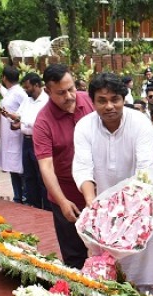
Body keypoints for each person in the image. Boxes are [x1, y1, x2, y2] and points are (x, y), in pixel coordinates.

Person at [72, 73, 153, 294]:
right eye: (102, 100)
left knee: (143, 269)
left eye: (115, 99)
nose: (109, 106)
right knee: (107, 272)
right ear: (92, 102)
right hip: (104, 211)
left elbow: (145, 168)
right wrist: (93, 206)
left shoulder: (140, 123)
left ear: (124, 99)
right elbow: (83, 168)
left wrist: (132, 211)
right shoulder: (85, 126)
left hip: (140, 205)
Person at [33, 64, 94, 269]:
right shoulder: (43, 122)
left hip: (98, 192)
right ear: (47, 92)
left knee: (107, 251)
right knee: (75, 256)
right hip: (68, 197)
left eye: (71, 88)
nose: (69, 96)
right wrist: (63, 202)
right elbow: (46, 167)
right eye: (61, 93)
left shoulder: (90, 100)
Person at [11, 72, 50, 210]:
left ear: (37, 85)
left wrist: (21, 120)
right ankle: (34, 205)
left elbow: (38, 123)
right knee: (29, 176)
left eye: (28, 87)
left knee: (42, 176)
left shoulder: (46, 101)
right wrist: (13, 118)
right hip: (26, 141)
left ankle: (47, 207)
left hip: (39, 142)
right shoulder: (27, 100)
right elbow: (20, 115)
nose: (26, 90)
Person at [0, 65, 28, 204]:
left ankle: (24, 196)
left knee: (19, 167)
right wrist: (0, 88)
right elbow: (9, 98)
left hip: (16, 135)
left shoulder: (19, 92)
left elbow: (25, 107)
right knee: (12, 167)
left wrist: (16, 118)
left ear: (4, 77)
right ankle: (17, 196)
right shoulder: (10, 91)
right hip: (8, 136)